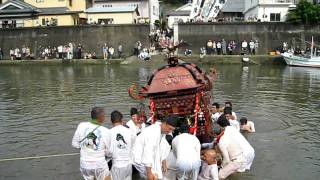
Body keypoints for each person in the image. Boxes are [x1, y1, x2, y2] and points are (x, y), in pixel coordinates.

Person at [132, 115, 179, 180]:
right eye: (169, 128)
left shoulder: (161, 131)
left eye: (172, 130)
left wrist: (163, 161)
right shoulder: (153, 132)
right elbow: (148, 151)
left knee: (157, 176)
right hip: (140, 160)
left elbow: (160, 148)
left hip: (148, 159)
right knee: (154, 176)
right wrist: (149, 172)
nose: (170, 131)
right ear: (164, 123)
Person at [72, 107, 111, 180]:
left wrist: (86, 148)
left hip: (84, 164)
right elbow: (109, 152)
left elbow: (75, 144)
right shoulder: (106, 131)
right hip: (100, 165)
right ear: (101, 117)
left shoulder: (81, 125)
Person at [108, 110, 134, 180]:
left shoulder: (109, 133)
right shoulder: (129, 131)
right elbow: (134, 147)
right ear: (121, 120)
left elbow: (108, 152)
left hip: (117, 165)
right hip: (129, 164)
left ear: (111, 121)